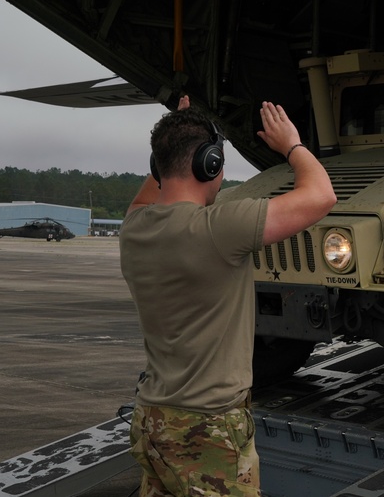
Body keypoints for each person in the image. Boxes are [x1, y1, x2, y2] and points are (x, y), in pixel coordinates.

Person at [120, 96, 336, 496]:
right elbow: (322, 195)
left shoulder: (134, 228)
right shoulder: (220, 228)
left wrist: (173, 135)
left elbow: (150, 194)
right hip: (207, 428)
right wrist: (292, 144)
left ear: (157, 166)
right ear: (211, 165)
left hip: (153, 418)